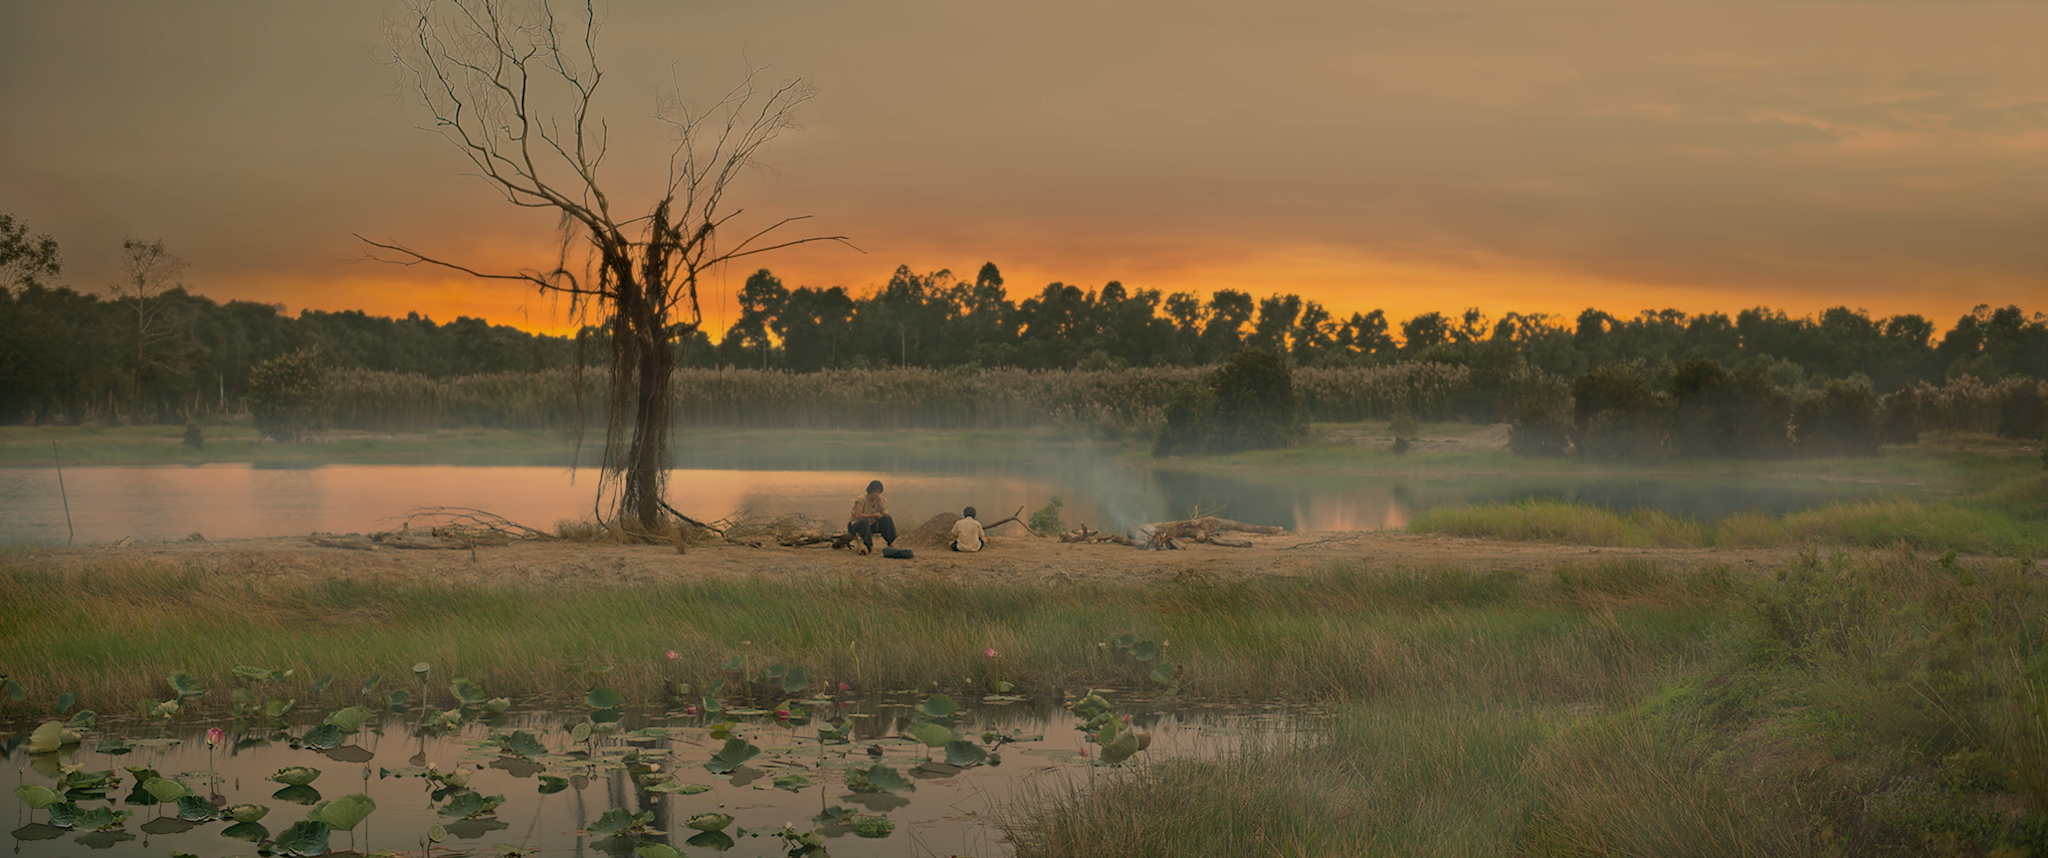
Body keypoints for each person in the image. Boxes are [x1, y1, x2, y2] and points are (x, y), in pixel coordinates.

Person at [847, 479, 896, 554]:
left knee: (887, 519)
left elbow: (883, 511)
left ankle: (890, 542)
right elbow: (858, 516)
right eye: (876, 491)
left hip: (869, 525)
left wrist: (885, 513)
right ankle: (870, 547)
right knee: (865, 520)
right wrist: (873, 515)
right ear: (870, 491)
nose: (877, 494)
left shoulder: (880, 499)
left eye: (879, 492)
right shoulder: (861, 500)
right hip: (856, 525)